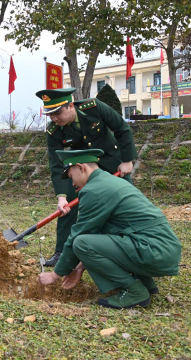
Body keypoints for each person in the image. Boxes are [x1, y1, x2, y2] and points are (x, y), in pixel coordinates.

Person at [38, 149, 181, 309]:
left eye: (71, 176)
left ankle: (135, 291)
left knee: (81, 242)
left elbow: (80, 236)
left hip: (152, 250)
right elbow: (101, 234)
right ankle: (145, 282)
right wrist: (80, 268)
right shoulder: (110, 181)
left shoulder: (93, 190)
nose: (72, 184)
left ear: (80, 167)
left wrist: (55, 274)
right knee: (96, 238)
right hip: (162, 249)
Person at [37, 88, 137, 267]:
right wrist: (61, 197)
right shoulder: (54, 131)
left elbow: (122, 129)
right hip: (80, 169)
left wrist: (128, 161)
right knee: (67, 206)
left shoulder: (94, 107)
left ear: (70, 105)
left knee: (127, 201)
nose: (54, 119)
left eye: (57, 113)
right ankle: (61, 251)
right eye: (50, 115)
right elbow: (56, 164)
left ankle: (135, 244)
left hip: (111, 162)